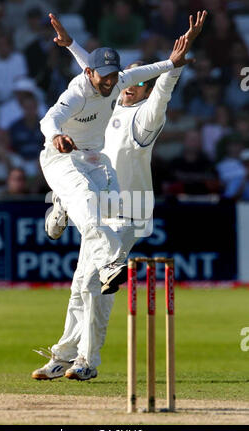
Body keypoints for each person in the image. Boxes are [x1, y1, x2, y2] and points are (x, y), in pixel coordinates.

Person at [32, 12, 200, 381]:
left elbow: (161, 91)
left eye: (136, 83)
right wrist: (72, 44)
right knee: (82, 282)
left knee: (96, 285)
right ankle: (66, 354)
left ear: (144, 89)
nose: (125, 86)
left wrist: (173, 68)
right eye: (121, 81)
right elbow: (93, 76)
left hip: (129, 210)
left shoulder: (146, 117)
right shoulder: (105, 104)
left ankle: (87, 361)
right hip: (102, 201)